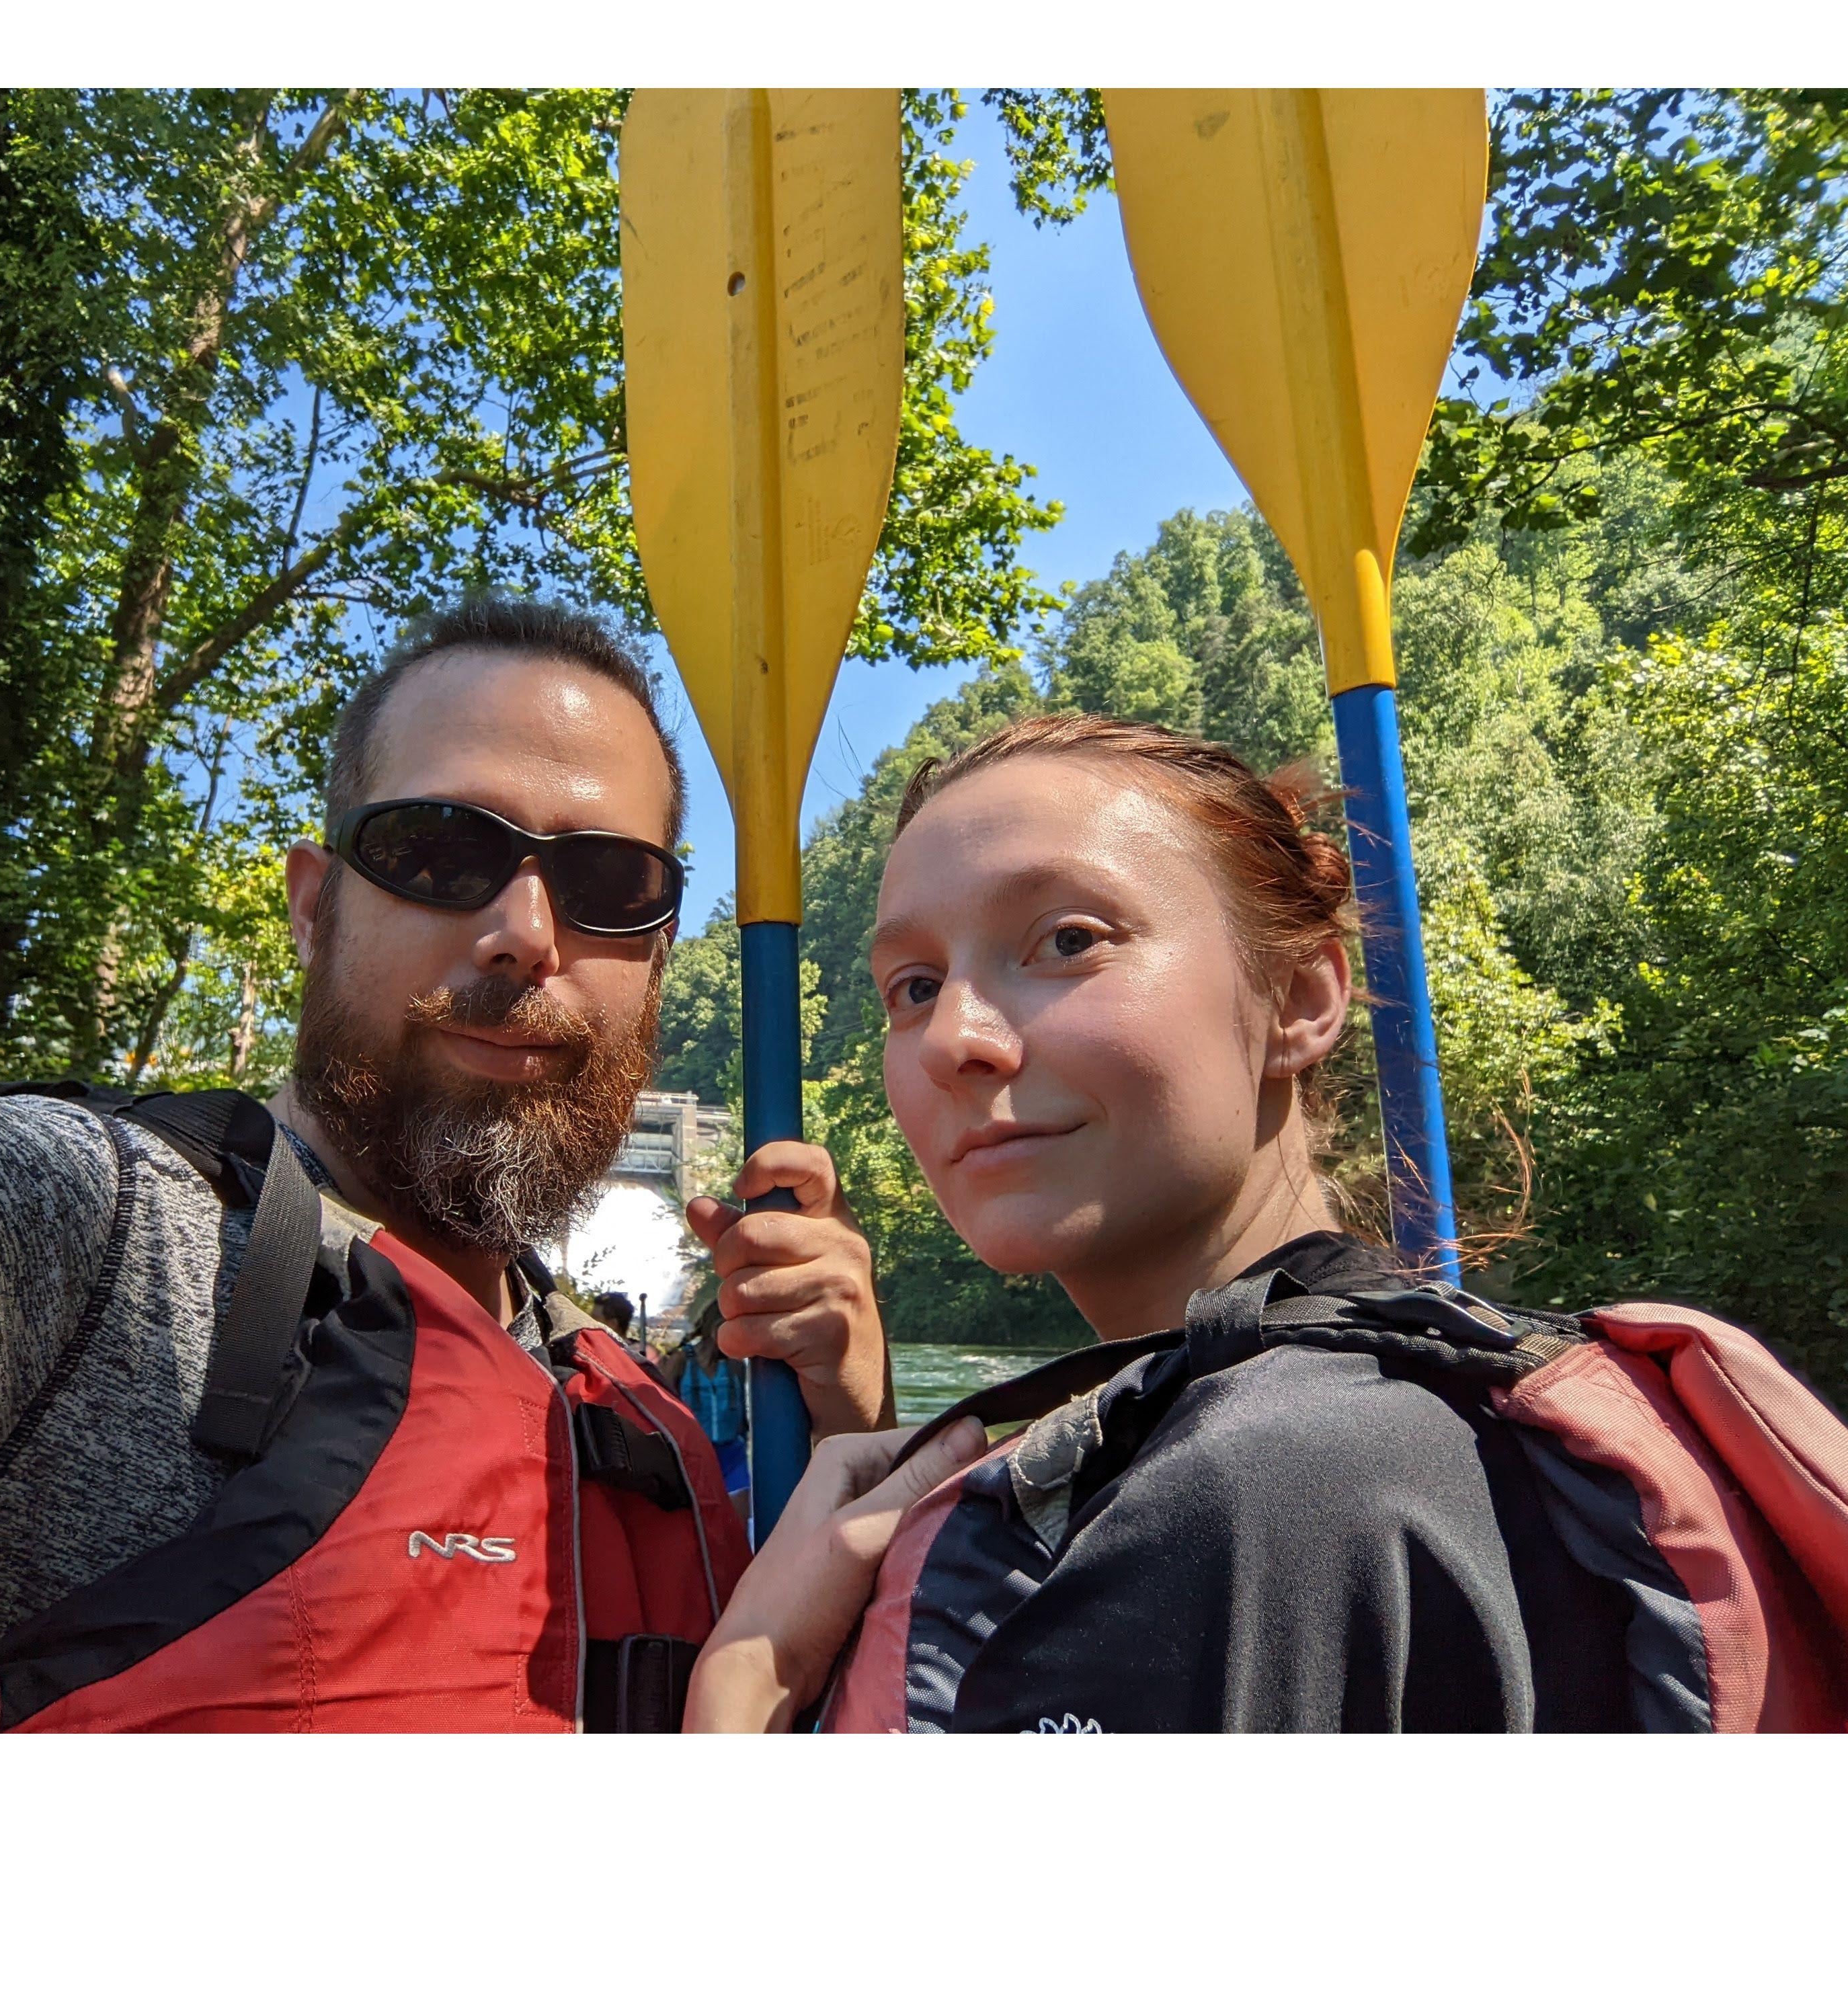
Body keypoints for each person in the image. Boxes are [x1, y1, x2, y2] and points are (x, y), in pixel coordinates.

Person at [0, 597, 885, 1732]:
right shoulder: (49, 1223)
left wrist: (854, 1429)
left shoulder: (651, 1413)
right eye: (440, 851)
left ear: (657, 953)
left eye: (606, 880)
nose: (523, 934)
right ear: (311, 903)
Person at [684, 713, 1660, 1734]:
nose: (949, 1039)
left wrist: (749, 1683)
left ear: (1297, 998)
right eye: (915, 987)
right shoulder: (1413, 1399)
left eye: (1068, 940)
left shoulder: (1251, 1492)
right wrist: (860, 1422)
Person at [667, 1299, 752, 1519]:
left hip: (732, 1453)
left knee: (739, 1525)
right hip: (694, 1456)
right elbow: (659, 1405)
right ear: (715, 1329)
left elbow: (742, 1409)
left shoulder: (735, 1365)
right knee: (702, 1527)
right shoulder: (681, 1360)